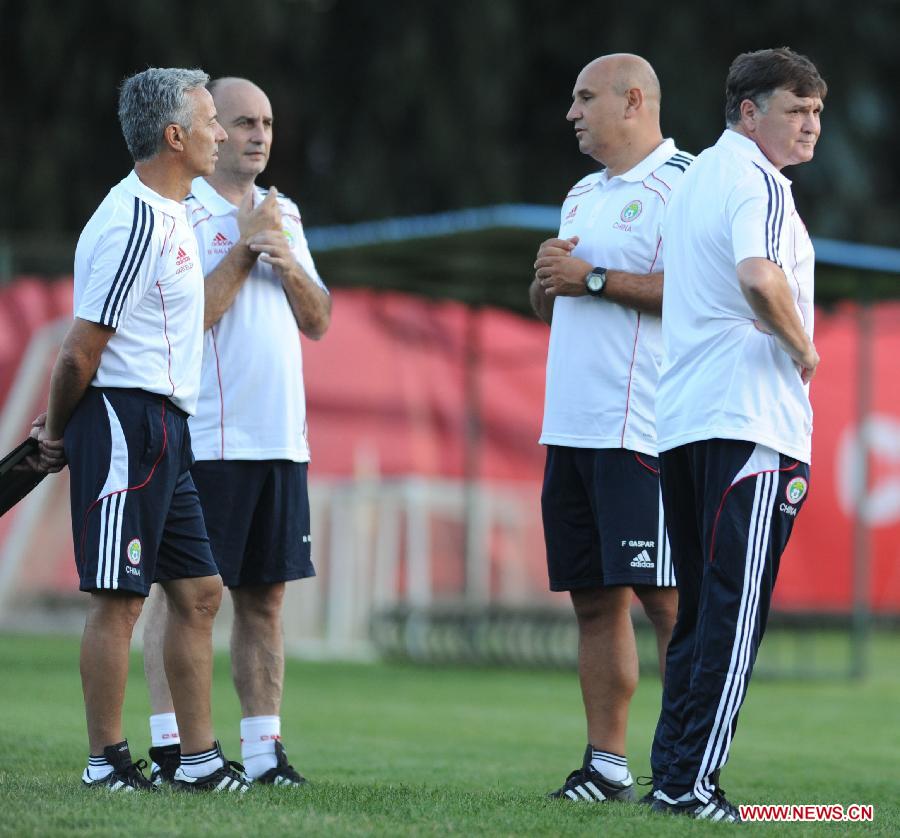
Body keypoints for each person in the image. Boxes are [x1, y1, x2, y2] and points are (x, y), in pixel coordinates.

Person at [34, 68, 250, 792]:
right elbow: (80, 349)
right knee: (120, 599)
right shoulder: (132, 219)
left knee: (199, 593)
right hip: (124, 421)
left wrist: (248, 251)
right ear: (175, 135)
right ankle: (106, 762)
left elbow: (191, 319)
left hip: (167, 426)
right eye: (212, 119)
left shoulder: (175, 215)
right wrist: (59, 431)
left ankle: (198, 762)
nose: (223, 132)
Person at [648, 48, 826, 822]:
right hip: (747, 420)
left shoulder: (700, 179)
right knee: (735, 610)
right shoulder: (756, 179)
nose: (811, 125)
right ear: (749, 113)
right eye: (796, 109)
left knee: (700, 611)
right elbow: (760, 278)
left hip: (686, 419)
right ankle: (695, 785)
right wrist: (805, 347)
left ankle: (669, 776)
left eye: (817, 112)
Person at [141, 77, 331, 787]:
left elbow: (318, 319)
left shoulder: (283, 212)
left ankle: (261, 753)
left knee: (266, 599)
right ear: (212, 128)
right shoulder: (177, 212)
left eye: (269, 123)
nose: (258, 135)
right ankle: (172, 744)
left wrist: (280, 254)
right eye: (245, 122)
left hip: (281, 439)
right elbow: (184, 324)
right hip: (208, 438)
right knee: (185, 597)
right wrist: (244, 252)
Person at [530, 53, 692, 803]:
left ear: (633, 101)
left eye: (583, 97)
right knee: (594, 601)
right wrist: (547, 283)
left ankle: (689, 764)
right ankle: (606, 766)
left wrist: (590, 278)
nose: (571, 112)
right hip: (570, 428)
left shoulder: (684, 184)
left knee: (667, 601)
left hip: (642, 428)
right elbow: (557, 304)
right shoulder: (580, 193)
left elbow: (698, 293)